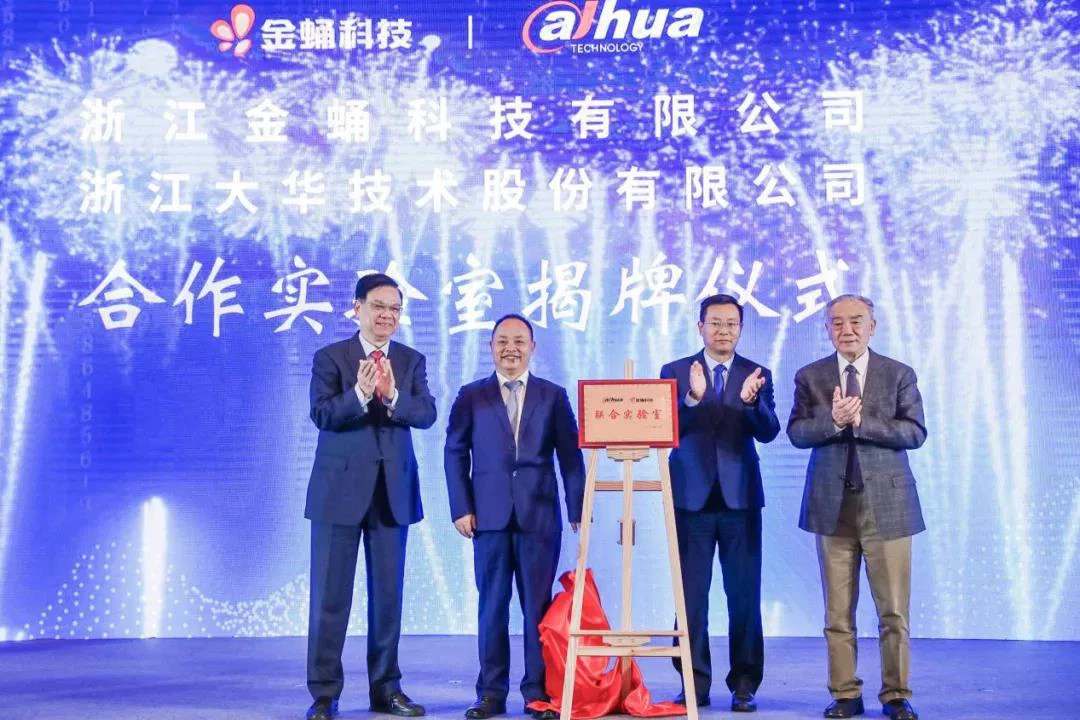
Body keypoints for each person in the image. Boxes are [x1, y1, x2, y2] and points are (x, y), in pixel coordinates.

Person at [787, 294, 926, 720]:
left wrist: (862, 421)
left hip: (888, 506)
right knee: (837, 612)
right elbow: (797, 433)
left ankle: (896, 694)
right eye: (837, 322)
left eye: (856, 321)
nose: (846, 329)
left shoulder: (898, 373)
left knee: (893, 611)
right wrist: (833, 421)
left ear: (872, 327)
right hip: (832, 507)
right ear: (827, 328)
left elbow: (915, 433)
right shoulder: (811, 376)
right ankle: (845, 693)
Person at [304, 273, 436, 720]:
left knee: (387, 599)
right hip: (337, 495)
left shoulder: (411, 360)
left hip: (391, 495)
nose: (387, 315)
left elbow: (426, 414)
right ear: (357, 308)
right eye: (379, 306)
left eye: (395, 308)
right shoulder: (330, 358)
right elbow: (322, 414)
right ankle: (325, 694)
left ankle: (386, 689)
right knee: (329, 599)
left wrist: (391, 394)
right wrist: (360, 393)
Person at [444, 314, 585, 720]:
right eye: (503, 341)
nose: (511, 348)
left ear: (532, 348)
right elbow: (455, 452)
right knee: (492, 606)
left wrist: (576, 506)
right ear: (491, 347)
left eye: (519, 341)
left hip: (539, 516)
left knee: (537, 608)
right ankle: (491, 693)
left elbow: (570, 456)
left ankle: (537, 692)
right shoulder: (471, 395)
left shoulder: (553, 396)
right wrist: (461, 507)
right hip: (487, 518)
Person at [660, 293, 780, 712]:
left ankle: (744, 684)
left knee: (743, 597)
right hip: (690, 499)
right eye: (715, 323)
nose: (723, 330)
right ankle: (694, 683)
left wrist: (750, 402)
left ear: (740, 329)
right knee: (690, 598)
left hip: (740, 501)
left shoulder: (756, 373)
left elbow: (768, 431)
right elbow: (665, 428)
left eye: (731, 324)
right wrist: (692, 398)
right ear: (700, 327)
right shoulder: (675, 371)